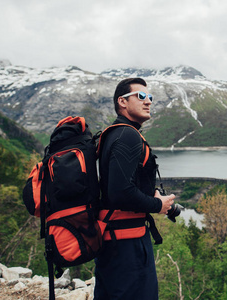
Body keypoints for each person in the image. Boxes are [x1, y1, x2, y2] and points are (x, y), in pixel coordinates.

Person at [94, 77, 175, 299]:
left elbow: (119, 186)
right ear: (122, 101)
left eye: (150, 97)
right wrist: (157, 205)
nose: (148, 101)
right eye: (141, 96)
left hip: (113, 239)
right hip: (127, 243)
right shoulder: (128, 135)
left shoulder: (114, 132)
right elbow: (120, 192)